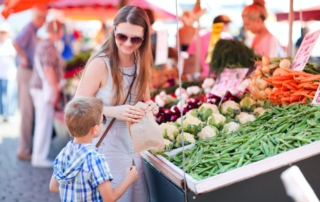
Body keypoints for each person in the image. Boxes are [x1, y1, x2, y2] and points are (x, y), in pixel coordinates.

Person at [75, 5, 159, 201]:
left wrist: (151, 106)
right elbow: (77, 108)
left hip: (136, 151)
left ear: (145, 38)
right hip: (106, 150)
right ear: (114, 31)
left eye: (136, 39)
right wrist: (113, 111)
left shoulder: (141, 62)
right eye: (122, 36)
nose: (128, 43)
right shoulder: (100, 64)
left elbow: (144, 100)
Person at [49, 97, 138, 201]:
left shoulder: (64, 152)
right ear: (95, 129)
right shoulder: (95, 159)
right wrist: (129, 179)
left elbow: (53, 186)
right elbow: (110, 198)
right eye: (102, 120)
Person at [13, 6, 47, 161]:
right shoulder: (29, 28)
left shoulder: (33, 31)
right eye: (44, 18)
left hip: (28, 72)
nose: (44, 22)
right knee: (27, 112)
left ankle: (28, 147)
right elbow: (16, 42)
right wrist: (24, 58)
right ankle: (24, 149)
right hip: (25, 71)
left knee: (29, 113)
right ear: (38, 18)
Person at [29, 20, 65, 167]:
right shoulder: (49, 45)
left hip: (40, 88)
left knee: (43, 122)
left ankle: (40, 155)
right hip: (43, 89)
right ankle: (39, 157)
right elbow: (48, 69)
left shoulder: (44, 43)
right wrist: (56, 89)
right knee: (43, 123)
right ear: (59, 31)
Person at [0, 22, 17, 122]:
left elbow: (14, 54)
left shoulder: (10, 43)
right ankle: (3, 114)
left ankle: (10, 114)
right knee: (2, 96)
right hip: (1, 74)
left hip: (9, 74)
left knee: (10, 95)